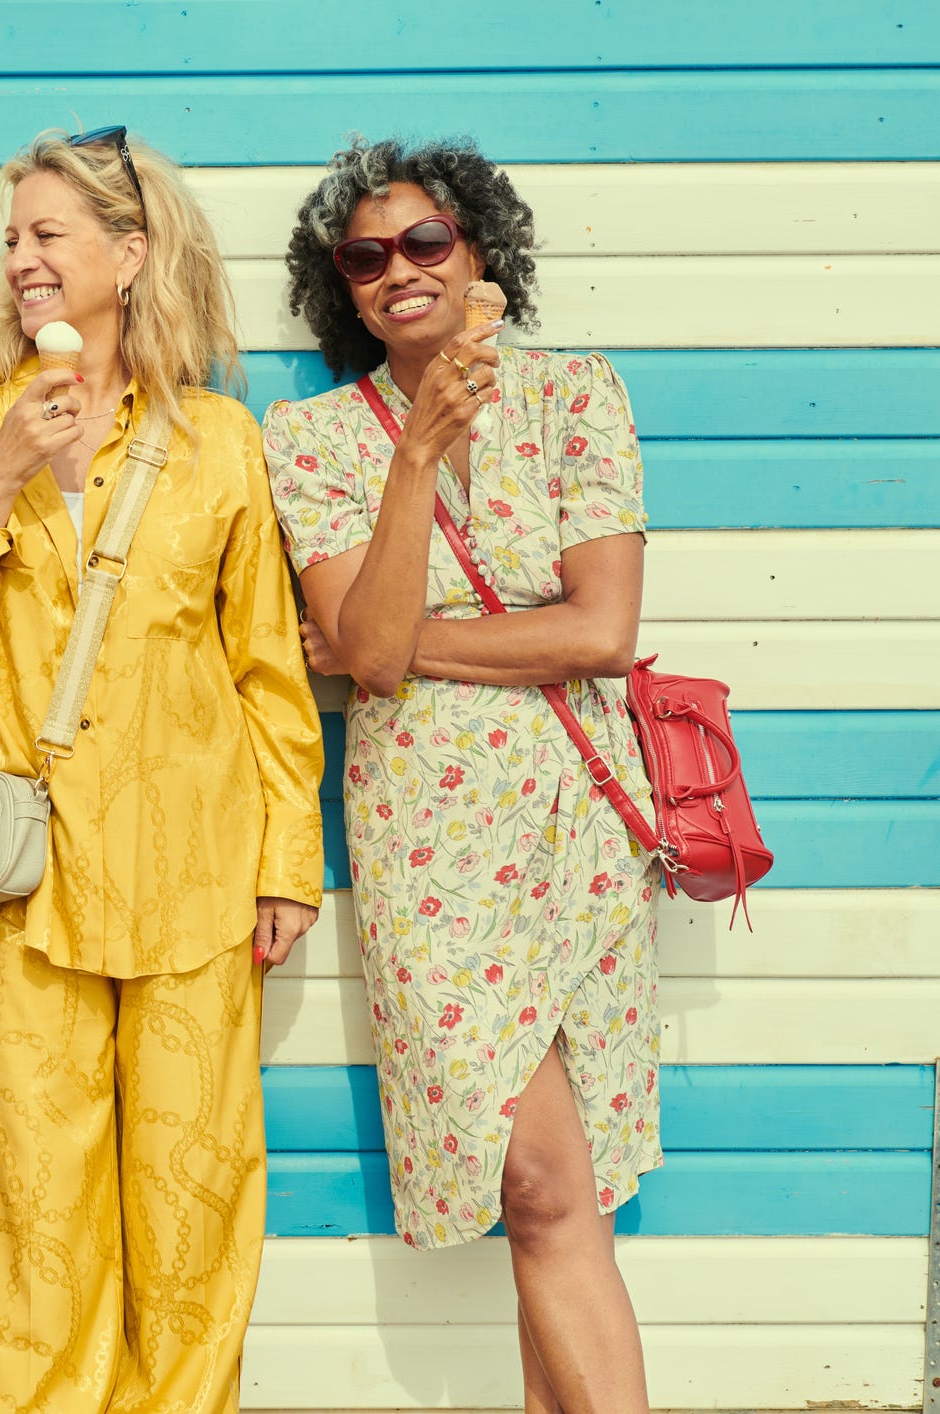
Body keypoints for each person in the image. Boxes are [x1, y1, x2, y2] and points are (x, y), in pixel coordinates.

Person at [0, 128, 326, 1414]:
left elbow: (267, 668)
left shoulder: (219, 439)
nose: (21, 258)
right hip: (25, 884)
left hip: (196, 875)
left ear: (128, 256)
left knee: (193, 1209)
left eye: (47, 234)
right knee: (40, 1220)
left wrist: (288, 860)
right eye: (11, 238)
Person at [262, 137, 660, 1413]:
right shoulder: (315, 438)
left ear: (480, 249)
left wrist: (398, 642)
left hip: (580, 826)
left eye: (426, 240)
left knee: (568, 1188)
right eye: (364, 257)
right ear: (342, 288)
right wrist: (417, 455)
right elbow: (370, 660)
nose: (400, 270)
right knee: (533, 1181)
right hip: (431, 850)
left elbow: (599, 629)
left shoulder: (575, 396)